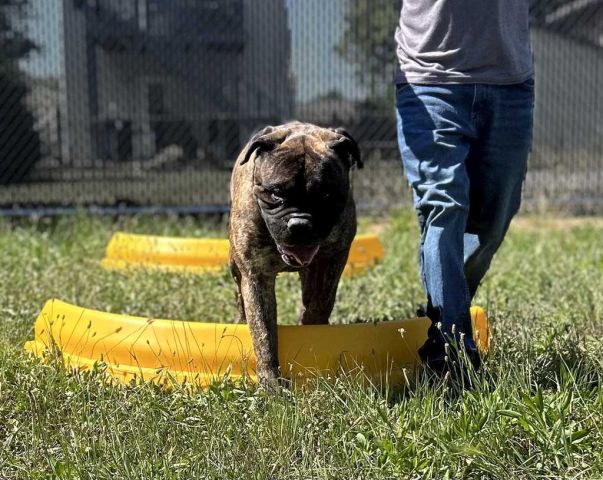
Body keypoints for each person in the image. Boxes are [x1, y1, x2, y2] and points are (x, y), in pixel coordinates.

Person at [394, 0, 535, 374]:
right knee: (444, 204)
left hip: (510, 80)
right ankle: (453, 353)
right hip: (430, 80)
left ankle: (444, 299)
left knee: (493, 218)